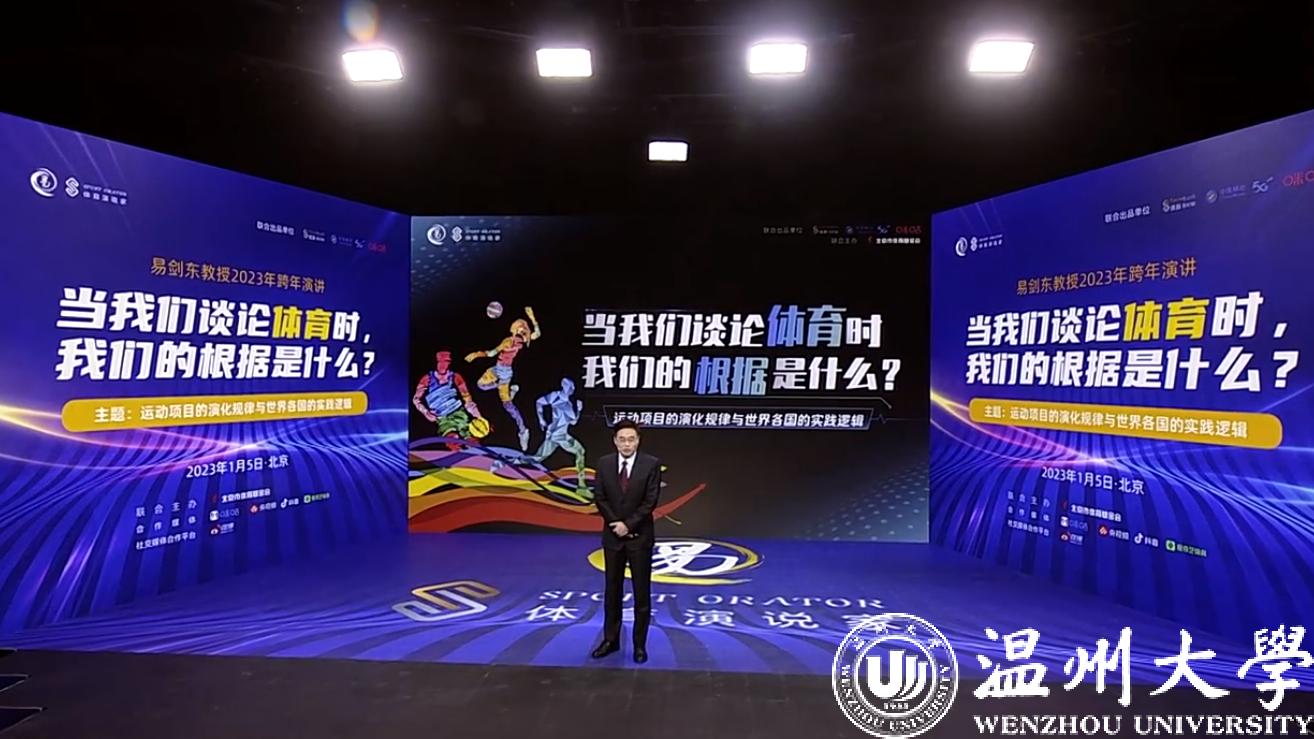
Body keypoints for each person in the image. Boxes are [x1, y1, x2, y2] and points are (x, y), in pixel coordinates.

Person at [589, 419, 661, 664]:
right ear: (615, 441)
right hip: (613, 538)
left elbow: (650, 501)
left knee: (641, 593)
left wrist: (628, 525)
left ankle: (639, 645)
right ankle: (610, 640)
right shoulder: (605, 463)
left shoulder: (651, 464)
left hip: (640, 538)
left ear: (638, 441)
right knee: (612, 592)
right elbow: (600, 497)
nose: (627, 444)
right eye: (622, 439)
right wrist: (616, 524)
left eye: (631, 439)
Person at [465, 307, 541, 451]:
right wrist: (532, 318)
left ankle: (523, 430)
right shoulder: (513, 341)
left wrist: (476, 355)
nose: (522, 332)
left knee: (508, 406)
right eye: (520, 330)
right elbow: (492, 353)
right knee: (481, 385)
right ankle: (508, 390)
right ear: (514, 330)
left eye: (524, 330)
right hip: (496, 369)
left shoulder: (518, 341)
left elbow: (491, 353)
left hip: (504, 373)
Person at [413, 350, 484, 443]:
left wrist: (479, 417)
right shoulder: (427, 378)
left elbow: (467, 398)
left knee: (471, 438)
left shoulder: (455, 377)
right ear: (437, 361)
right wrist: (426, 412)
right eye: (442, 361)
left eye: (447, 361)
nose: (444, 364)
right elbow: (416, 399)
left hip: (458, 412)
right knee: (452, 438)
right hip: (441, 417)